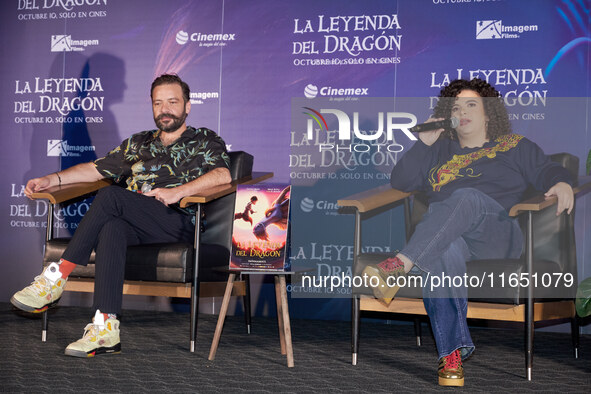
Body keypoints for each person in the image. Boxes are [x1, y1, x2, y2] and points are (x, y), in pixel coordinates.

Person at [363, 78, 573, 387]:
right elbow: (402, 181)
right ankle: (451, 356)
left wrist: (563, 181)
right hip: (450, 239)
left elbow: (547, 170)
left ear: (489, 113)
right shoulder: (438, 150)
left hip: (498, 234)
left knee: (465, 196)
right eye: (456, 107)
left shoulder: (513, 145)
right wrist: (425, 143)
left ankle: (400, 265)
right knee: (443, 252)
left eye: (471, 105)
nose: (463, 111)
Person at [11, 74, 232, 357]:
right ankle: (105, 329)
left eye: (173, 102)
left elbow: (223, 174)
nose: (165, 109)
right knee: (111, 228)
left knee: (111, 195)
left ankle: (57, 277)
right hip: (135, 219)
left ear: (187, 106)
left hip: (177, 221)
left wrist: (179, 192)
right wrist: (52, 179)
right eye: (158, 103)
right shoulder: (139, 143)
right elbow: (95, 169)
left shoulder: (205, 139)